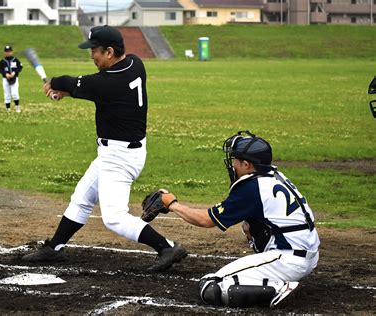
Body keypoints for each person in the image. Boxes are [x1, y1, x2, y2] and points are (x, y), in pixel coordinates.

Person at [22, 25, 188, 272]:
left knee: (114, 217)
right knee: (82, 197)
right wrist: (63, 92)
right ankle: (54, 247)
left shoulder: (108, 82)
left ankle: (167, 247)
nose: (92, 56)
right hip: (116, 152)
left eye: (95, 51)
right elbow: (83, 87)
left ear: (110, 52)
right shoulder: (135, 64)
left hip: (120, 157)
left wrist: (54, 85)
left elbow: (72, 82)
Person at [159, 131, 320, 308]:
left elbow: (206, 220)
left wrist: (172, 204)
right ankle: (275, 278)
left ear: (246, 164)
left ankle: (278, 287)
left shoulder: (252, 188)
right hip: (306, 254)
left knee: (212, 287)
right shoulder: (274, 175)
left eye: (235, 160)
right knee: (248, 225)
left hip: (288, 260)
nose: (232, 165)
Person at [0, 45, 23, 112]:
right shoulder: (3, 61)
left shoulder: (15, 60)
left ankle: (17, 107)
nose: (8, 53)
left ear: (12, 52)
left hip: (14, 78)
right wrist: (5, 73)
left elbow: (20, 67)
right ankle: (8, 109)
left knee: (15, 93)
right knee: (7, 94)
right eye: (6, 51)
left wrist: (15, 72)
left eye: (9, 51)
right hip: (5, 79)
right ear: (4, 52)